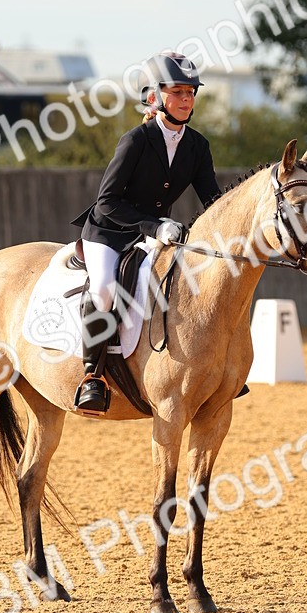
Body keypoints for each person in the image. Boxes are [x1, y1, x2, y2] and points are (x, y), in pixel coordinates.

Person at [70, 51, 221, 415]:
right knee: (105, 288)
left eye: (191, 93)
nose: (186, 100)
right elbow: (106, 202)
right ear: (155, 96)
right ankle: (93, 375)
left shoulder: (197, 146)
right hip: (108, 233)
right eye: (178, 92)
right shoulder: (135, 141)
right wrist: (153, 226)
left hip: (154, 236)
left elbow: (213, 200)